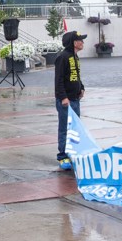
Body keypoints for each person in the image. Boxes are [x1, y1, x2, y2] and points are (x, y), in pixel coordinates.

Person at [53, 30, 86, 171]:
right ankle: (62, 156)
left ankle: (72, 153)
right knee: (65, 129)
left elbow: (76, 75)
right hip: (66, 101)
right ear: (73, 42)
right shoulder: (63, 57)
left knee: (75, 129)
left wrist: (81, 87)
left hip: (75, 99)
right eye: (80, 40)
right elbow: (58, 80)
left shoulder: (75, 57)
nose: (82, 42)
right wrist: (63, 97)